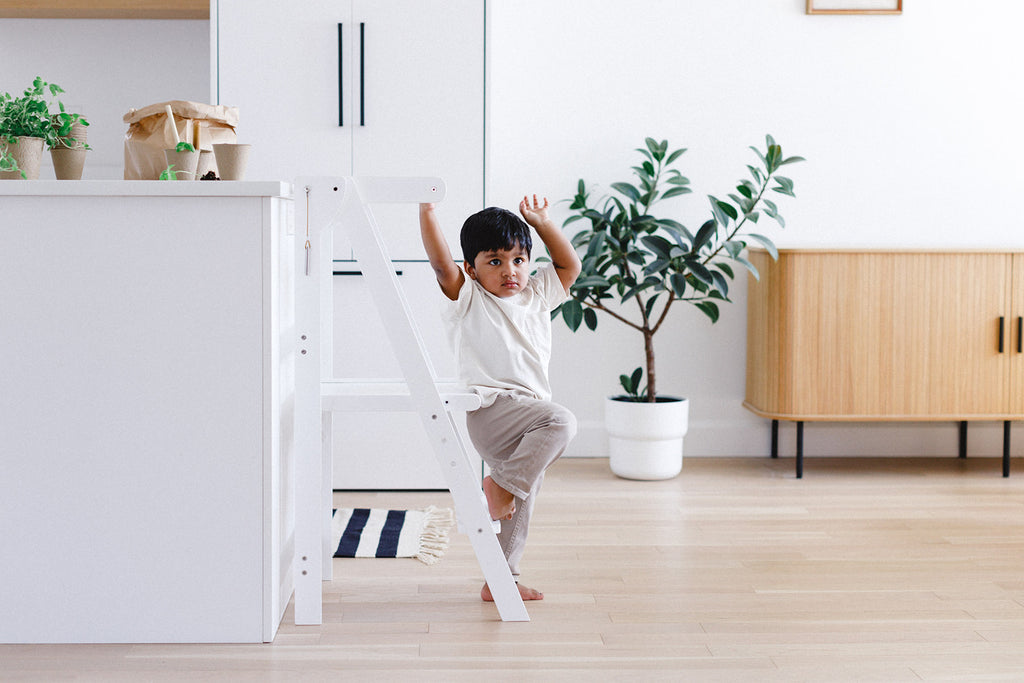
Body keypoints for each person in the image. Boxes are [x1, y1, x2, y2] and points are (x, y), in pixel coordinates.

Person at [419, 194, 582, 602]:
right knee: (561, 422)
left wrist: (542, 223)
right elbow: (441, 265)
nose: (509, 271)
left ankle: (500, 579)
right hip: (492, 411)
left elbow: (569, 266)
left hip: (529, 418)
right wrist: (427, 213)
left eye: (518, 260)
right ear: (472, 269)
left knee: (521, 501)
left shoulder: (538, 295)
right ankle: (501, 486)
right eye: (494, 261)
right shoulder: (471, 298)